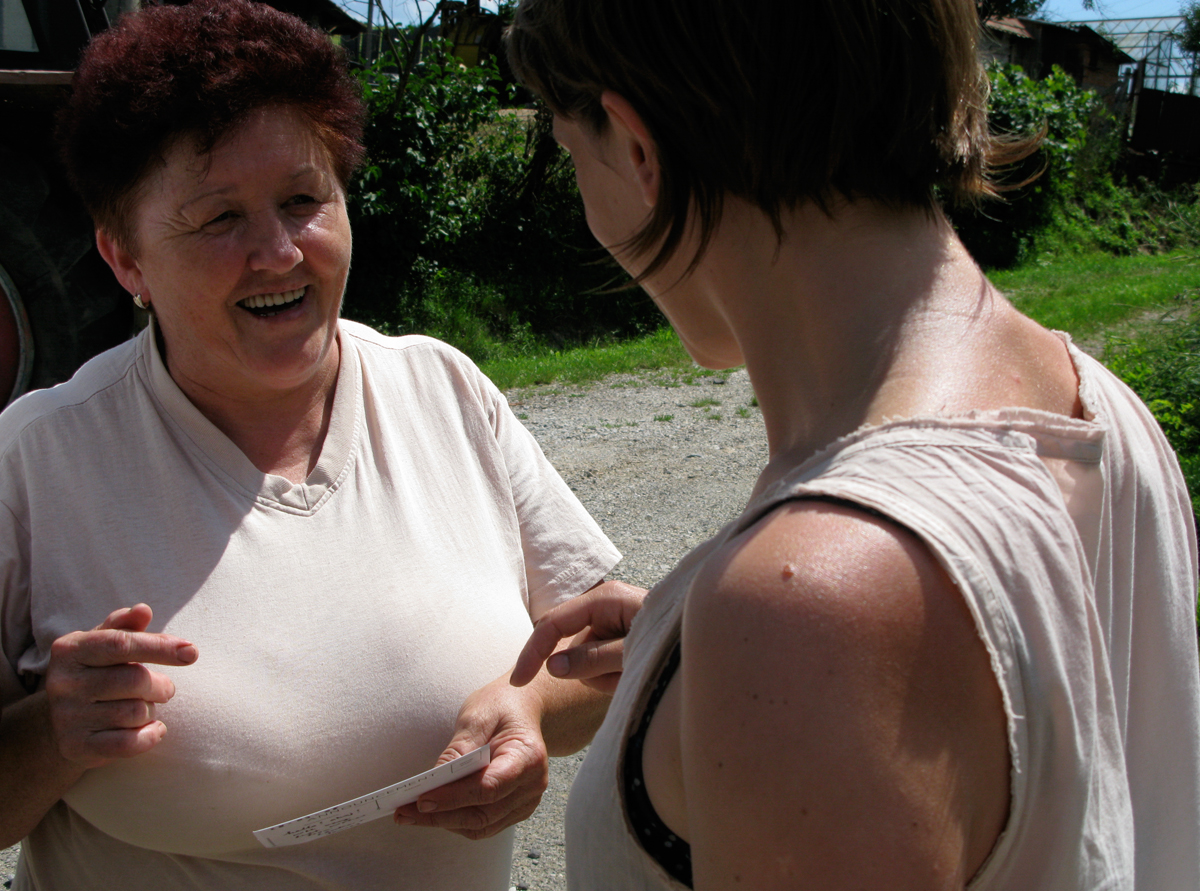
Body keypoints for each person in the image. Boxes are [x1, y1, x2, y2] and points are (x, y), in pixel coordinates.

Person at [505, 1, 1200, 889]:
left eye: (573, 151)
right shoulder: (1100, 410)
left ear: (641, 151)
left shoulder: (811, 614)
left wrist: (782, 640)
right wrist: (687, 659)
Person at [0, 2, 640, 888]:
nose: (277, 252)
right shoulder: (35, 459)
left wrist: (530, 710)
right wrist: (50, 733)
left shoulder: (442, 390)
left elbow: (597, 652)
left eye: (303, 200)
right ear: (124, 260)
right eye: (217, 218)